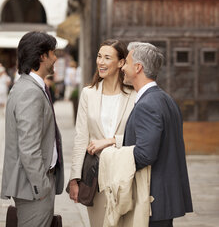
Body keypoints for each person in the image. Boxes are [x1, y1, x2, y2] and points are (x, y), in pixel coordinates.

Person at [122, 42, 193, 227]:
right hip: (162, 198)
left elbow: (145, 154)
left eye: (127, 62)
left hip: (153, 199)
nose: (122, 67)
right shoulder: (165, 99)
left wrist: (112, 158)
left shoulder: (148, 104)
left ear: (138, 68)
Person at [69, 39, 136, 227]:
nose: (101, 62)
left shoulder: (135, 96)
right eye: (99, 56)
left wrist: (112, 140)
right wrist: (74, 179)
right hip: (95, 178)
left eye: (107, 58)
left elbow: (139, 137)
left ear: (121, 63)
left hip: (126, 177)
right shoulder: (88, 93)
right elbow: (81, 138)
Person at [1, 31, 64, 227]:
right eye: (53, 53)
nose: (55, 58)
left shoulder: (30, 87)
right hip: (33, 188)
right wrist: (42, 187)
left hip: (34, 185)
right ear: (42, 56)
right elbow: (29, 147)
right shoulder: (30, 91)